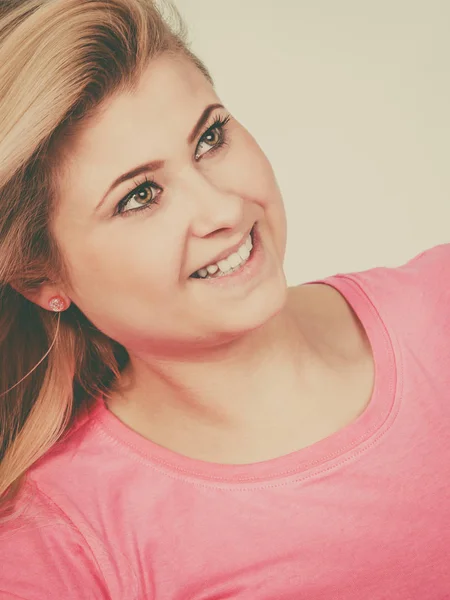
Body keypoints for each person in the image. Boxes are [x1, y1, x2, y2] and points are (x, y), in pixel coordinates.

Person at [0, 0, 449, 598]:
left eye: (210, 138)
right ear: (41, 280)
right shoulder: (61, 549)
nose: (223, 209)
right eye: (140, 196)